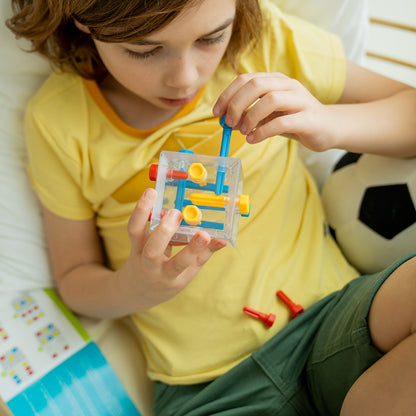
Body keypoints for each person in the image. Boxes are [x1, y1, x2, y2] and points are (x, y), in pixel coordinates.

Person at [7, 0, 416, 414]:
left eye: (211, 37)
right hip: (211, 389)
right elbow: (75, 279)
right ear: (80, 17)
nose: (184, 77)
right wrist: (133, 288)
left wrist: (328, 124)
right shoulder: (59, 121)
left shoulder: (262, 46)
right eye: (144, 50)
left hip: (336, 315)